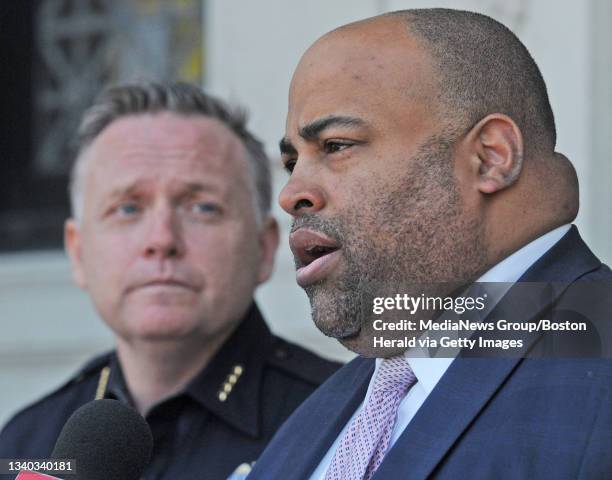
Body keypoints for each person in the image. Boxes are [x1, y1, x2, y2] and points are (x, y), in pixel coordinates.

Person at [248, 9, 612, 480]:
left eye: (336, 146)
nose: (292, 193)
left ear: (490, 158)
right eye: (292, 160)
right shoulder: (323, 413)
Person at [0, 82, 340, 480]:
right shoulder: (25, 442)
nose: (161, 239)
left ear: (264, 248)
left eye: (202, 206)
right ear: (77, 252)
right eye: (127, 208)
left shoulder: (344, 421)